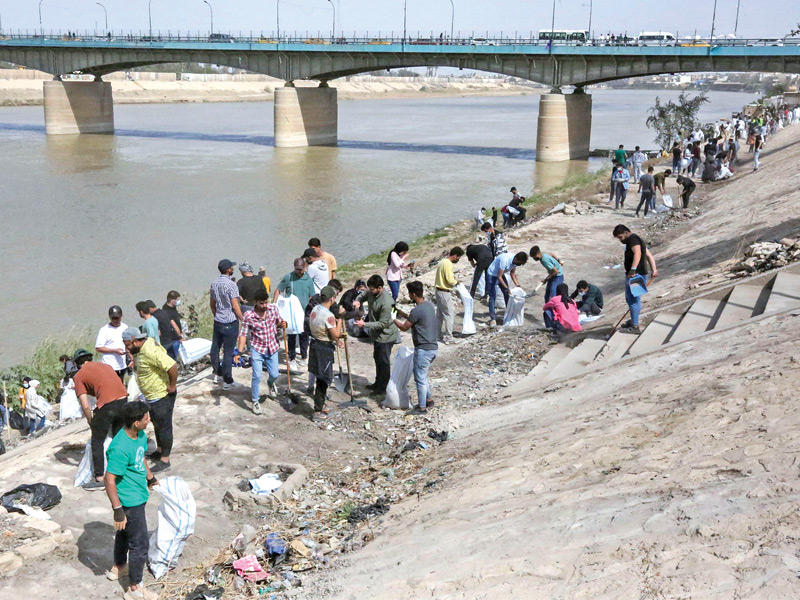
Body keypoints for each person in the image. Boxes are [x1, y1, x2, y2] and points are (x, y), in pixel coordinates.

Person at [103, 401, 159, 600]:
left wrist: (150, 477)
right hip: (129, 501)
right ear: (136, 422)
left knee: (124, 534)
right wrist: (118, 509)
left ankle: (118, 567)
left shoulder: (140, 435)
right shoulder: (119, 448)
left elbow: (141, 458)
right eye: (146, 418)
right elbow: (109, 479)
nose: (149, 420)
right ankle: (135, 588)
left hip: (138, 494)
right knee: (140, 543)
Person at [73, 347, 129, 491]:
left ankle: (99, 478)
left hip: (109, 405)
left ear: (77, 363)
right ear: (89, 359)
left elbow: (85, 404)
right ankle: (123, 469)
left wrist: (90, 420)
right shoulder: (106, 366)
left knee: (97, 441)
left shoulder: (79, 375)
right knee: (119, 437)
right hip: (124, 400)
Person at [123, 328, 177, 473]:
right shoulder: (142, 349)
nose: (126, 348)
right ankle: (159, 450)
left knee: (164, 426)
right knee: (157, 423)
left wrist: (172, 386)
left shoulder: (150, 351)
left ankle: (165, 460)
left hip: (161, 395)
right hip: (151, 396)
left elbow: (172, 366)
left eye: (128, 345)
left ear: (135, 340)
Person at [238, 290, 285, 415]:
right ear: (255, 303)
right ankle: (255, 401)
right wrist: (239, 351)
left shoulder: (273, 309)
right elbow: (243, 334)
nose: (264, 306)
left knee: (274, 374)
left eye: (265, 302)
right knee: (257, 375)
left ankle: (271, 384)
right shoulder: (249, 315)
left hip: (272, 346)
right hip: (257, 348)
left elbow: (279, 322)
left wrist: (282, 324)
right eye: (261, 303)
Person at [394, 281, 438, 413]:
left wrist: (392, 318)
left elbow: (404, 327)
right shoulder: (429, 306)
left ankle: (422, 407)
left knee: (419, 378)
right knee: (422, 375)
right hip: (433, 348)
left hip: (423, 350)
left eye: (409, 293)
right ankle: (429, 400)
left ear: (413, 294)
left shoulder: (416, 310)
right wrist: (402, 314)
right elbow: (416, 319)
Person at [354, 275, 399, 396]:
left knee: (383, 362)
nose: (370, 291)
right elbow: (364, 294)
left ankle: (382, 388)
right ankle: (378, 383)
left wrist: (365, 324)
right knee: (377, 358)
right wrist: (358, 300)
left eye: (372, 289)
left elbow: (384, 323)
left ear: (380, 288)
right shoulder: (372, 292)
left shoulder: (387, 302)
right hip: (377, 335)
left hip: (386, 335)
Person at [612, 224, 658, 333]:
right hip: (637, 274)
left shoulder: (632, 240)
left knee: (633, 300)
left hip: (635, 276)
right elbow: (648, 255)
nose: (620, 240)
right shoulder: (636, 239)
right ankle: (633, 321)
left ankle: (635, 326)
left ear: (626, 232)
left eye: (620, 237)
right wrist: (654, 269)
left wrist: (633, 270)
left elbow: (637, 253)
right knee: (631, 299)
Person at [307, 286, 343, 419]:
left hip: (315, 343)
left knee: (319, 375)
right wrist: (340, 320)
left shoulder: (315, 309)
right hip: (324, 348)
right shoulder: (329, 316)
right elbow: (336, 335)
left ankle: (320, 405)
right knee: (324, 378)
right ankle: (317, 410)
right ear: (332, 298)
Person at [275, 258, 315, 372]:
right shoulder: (288, 277)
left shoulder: (308, 279)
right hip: (291, 313)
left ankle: (304, 357)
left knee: (304, 336)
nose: (299, 272)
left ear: (305, 267)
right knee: (291, 336)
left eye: (301, 269)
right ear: (294, 267)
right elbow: (278, 290)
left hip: (304, 313)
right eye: (297, 270)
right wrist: (274, 305)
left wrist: (311, 310)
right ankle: (291, 359)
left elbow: (312, 295)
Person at [210, 259, 243, 390]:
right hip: (230, 321)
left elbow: (212, 304)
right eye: (231, 267)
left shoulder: (214, 283)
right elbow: (235, 306)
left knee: (215, 348)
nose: (233, 268)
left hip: (218, 321)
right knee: (228, 352)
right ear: (229, 270)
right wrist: (243, 319)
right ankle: (227, 380)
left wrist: (217, 316)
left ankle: (217, 373)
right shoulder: (231, 285)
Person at [486, 251, 528, 324]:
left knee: (507, 294)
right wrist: (507, 288)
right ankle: (493, 318)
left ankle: (509, 313)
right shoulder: (505, 260)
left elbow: (512, 274)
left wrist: (518, 285)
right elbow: (499, 277)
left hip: (500, 275)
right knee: (493, 296)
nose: (519, 265)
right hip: (492, 275)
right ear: (516, 259)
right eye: (519, 263)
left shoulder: (515, 262)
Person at [434, 247, 464, 344]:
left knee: (439, 315)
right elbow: (449, 280)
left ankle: (437, 335)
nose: (458, 259)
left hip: (438, 291)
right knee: (449, 314)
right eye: (458, 257)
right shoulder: (448, 264)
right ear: (455, 256)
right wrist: (457, 282)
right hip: (444, 291)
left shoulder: (442, 262)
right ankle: (448, 338)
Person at [96, 305, 129, 381]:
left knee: (121, 387)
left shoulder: (125, 327)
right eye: (113, 318)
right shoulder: (104, 330)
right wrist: (115, 350)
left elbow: (128, 344)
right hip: (109, 365)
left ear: (121, 316)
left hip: (122, 365)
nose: (115, 320)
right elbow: (98, 348)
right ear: (109, 317)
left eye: (117, 318)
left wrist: (131, 358)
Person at [154, 291, 183, 361]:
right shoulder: (166, 311)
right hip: (174, 338)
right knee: (174, 358)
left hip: (176, 337)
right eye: (177, 300)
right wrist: (180, 337)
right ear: (172, 300)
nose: (178, 301)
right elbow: (173, 324)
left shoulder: (172, 307)